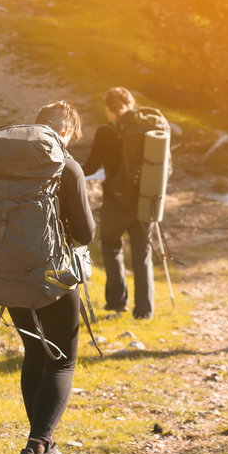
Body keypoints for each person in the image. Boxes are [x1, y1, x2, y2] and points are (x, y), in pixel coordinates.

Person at [1, 101, 95, 454]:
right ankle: (36, 449)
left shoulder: (5, 166)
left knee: (36, 353)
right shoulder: (67, 167)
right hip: (52, 277)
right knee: (62, 361)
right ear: (68, 132)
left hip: (7, 275)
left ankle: (44, 447)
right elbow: (86, 233)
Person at [81, 87, 155, 319]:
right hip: (145, 202)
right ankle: (144, 311)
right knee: (142, 252)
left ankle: (117, 302)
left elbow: (91, 167)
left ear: (108, 109)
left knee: (112, 246)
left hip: (116, 203)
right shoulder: (148, 128)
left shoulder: (106, 132)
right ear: (131, 104)